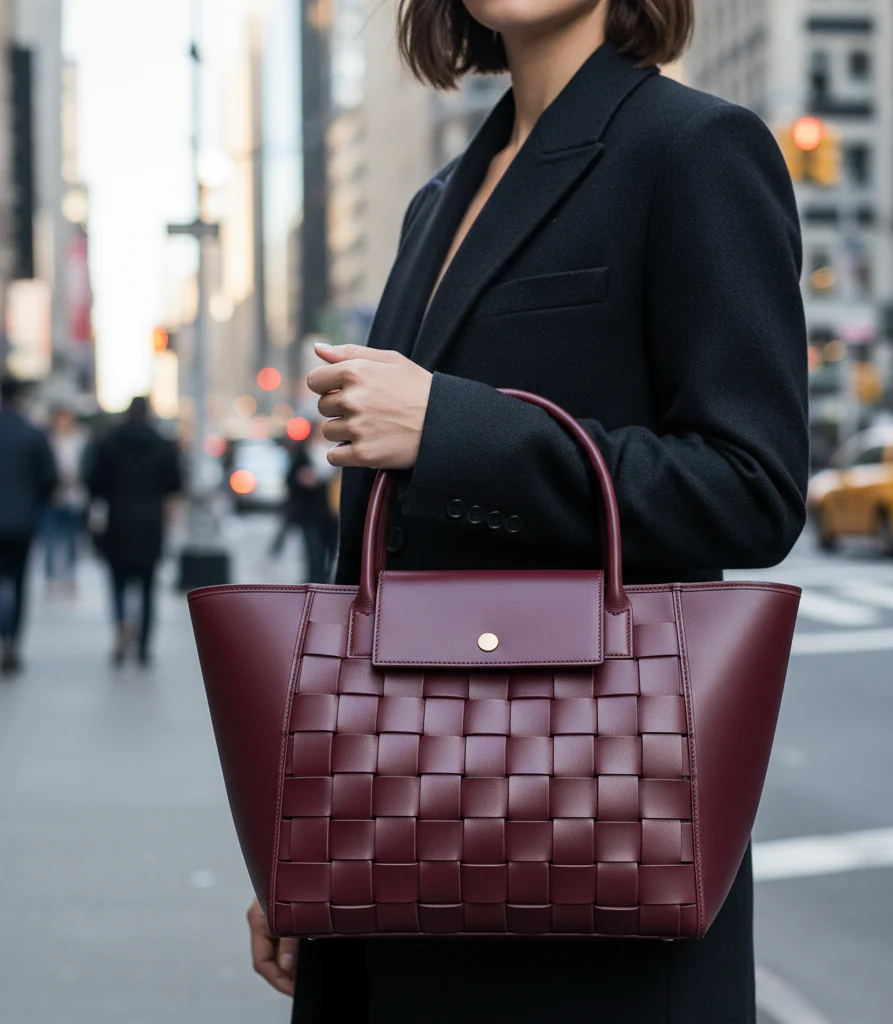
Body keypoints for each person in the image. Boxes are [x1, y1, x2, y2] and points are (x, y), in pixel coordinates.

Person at [249, 3, 808, 1021]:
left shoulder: (695, 150)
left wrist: (454, 428)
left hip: (592, 842)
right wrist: (297, 840)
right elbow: (365, 558)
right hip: (397, 833)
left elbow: (749, 483)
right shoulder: (437, 202)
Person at [87, 396, 181, 666]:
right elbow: (174, 485)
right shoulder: (161, 444)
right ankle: (143, 645)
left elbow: (94, 484)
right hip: (151, 523)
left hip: (117, 520)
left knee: (117, 581)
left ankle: (120, 625)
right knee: (148, 584)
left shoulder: (109, 442)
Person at [0, 378, 57, 676]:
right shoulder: (32, 433)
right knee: (19, 583)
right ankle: (12, 642)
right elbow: (49, 477)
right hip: (22, 522)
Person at [42, 406, 90, 592]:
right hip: (53, 496)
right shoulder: (48, 439)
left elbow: (86, 465)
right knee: (50, 539)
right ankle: (51, 577)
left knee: (72, 539)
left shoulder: (80, 439)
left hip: (74, 496)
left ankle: (69, 576)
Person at [284, 436, 336, 584]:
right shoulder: (303, 453)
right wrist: (301, 478)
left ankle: (326, 582)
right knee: (314, 553)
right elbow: (290, 478)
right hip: (310, 514)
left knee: (332, 552)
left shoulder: (339, 452)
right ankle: (314, 584)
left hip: (333, 514)